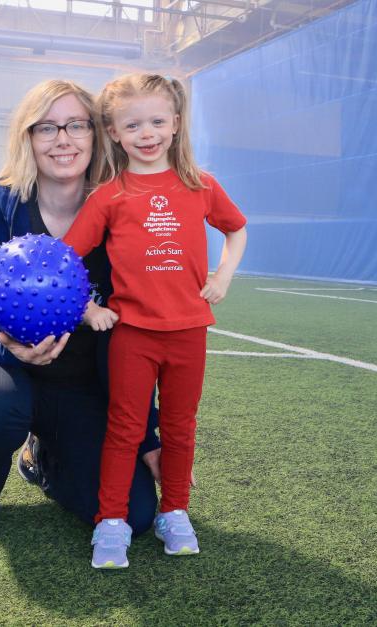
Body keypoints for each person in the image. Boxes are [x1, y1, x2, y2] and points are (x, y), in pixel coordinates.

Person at [0, 79, 161, 534]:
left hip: (78, 384)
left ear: (97, 135)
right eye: (47, 128)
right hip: (2, 372)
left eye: (76, 125)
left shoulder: (121, 214)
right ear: (28, 138)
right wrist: (9, 349)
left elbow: (133, 336)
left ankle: (43, 455)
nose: (63, 140)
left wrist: (147, 434)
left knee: (134, 515)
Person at [63, 73, 248, 568]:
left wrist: (224, 276)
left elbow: (237, 230)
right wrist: (89, 309)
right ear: (115, 133)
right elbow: (66, 259)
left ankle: (176, 512)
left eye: (157, 121)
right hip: (132, 337)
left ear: (176, 124)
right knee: (124, 429)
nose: (147, 133)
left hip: (189, 334)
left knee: (181, 427)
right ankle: (111, 523)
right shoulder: (109, 196)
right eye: (133, 124)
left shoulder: (201, 185)